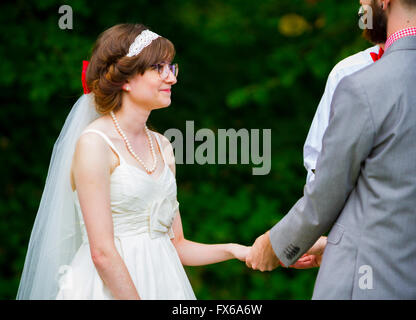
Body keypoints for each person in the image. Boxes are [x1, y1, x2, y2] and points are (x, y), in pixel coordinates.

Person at [17, 23, 249, 300]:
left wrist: (236, 250)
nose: (171, 78)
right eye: (158, 68)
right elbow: (102, 252)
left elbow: (178, 245)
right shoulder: (95, 144)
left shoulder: (163, 146)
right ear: (125, 79)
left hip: (164, 284)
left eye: (171, 67)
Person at [246, 0, 416, 299]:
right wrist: (334, 244)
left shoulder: (363, 86)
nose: (361, 5)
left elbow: (325, 194)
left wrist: (274, 245)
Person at [296, 0, 387, 269]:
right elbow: (318, 161)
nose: (360, 5)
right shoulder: (346, 72)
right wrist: (322, 233)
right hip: (357, 246)